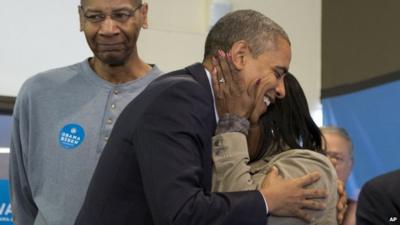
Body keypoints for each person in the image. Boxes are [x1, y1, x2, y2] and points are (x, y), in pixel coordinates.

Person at [74, 10, 329, 225]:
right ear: (240, 56)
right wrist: (268, 199)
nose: (282, 89)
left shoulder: (192, 96)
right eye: (278, 72)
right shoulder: (180, 98)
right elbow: (180, 213)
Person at [9, 0, 162, 225]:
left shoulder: (171, 99)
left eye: (121, 15)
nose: (108, 29)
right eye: (95, 17)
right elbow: (22, 200)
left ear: (144, 15)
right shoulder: (38, 93)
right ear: (81, 19)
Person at [210, 67, 338, 225]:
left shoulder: (309, 167)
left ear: (272, 122)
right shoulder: (240, 163)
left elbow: (237, 216)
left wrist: (232, 127)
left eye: (244, 120)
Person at [321, 126, 356, 225]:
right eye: (320, 156)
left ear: (350, 166)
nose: (328, 163)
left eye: (337, 157)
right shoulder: (287, 208)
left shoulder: (364, 213)